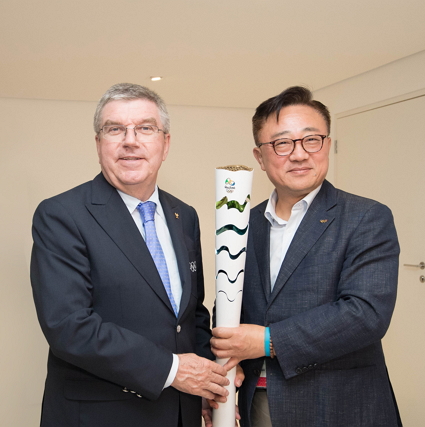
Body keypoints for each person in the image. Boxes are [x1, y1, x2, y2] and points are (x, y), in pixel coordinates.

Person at [30, 83, 230, 427]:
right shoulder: (62, 215)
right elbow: (68, 326)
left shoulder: (185, 215)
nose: (130, 140)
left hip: (181, 413)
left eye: (145, 128)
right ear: (98, 144)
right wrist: (174, 370)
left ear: (165, 144)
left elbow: (190, 315)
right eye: (114, 129)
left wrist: (207, 382)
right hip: (100, 415)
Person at [211, 86, 402, 427]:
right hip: (261, 402)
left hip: (341, 403)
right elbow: (229, 302)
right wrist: (229, 362)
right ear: (259, 156)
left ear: (327, 145)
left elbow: (366, 314)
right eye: (282, 143)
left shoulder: (366, 217)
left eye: (311, 139)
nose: (299, 154)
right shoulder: (243, 223)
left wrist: (267, 341)